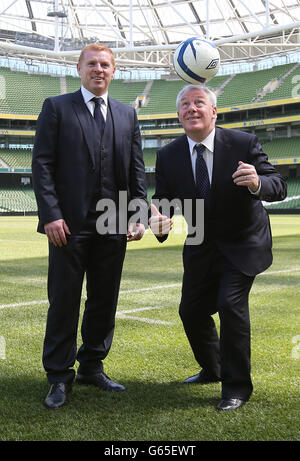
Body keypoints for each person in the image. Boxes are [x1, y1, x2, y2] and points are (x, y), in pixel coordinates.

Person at [149, 84, 287, 411]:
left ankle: (236, 387)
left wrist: (257, 183)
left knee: (230, 304)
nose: (191, 108)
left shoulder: (243, 143)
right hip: (200, 244)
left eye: (199, 103)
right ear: (179, 114)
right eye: (185, 104)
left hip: (243, 242)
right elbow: (162, 202)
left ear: (214, 112)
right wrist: (157, 220)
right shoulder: (168, 155)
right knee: (191, 311)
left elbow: (277, 185)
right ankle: (213, 369)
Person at [32, 43, 147, 409]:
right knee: (64, 299)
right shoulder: (57, 107)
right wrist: (51, 214)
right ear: (80, 68)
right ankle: (59, 376)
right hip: (68, 222)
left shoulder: (127, 115)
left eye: (106, 65)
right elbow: (43, 164)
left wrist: (138, 214)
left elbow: (136, 172)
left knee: (104, 299)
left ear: (114, 71)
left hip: (114, 221)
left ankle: (92, 366)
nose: (99, 70)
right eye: (92, 64)